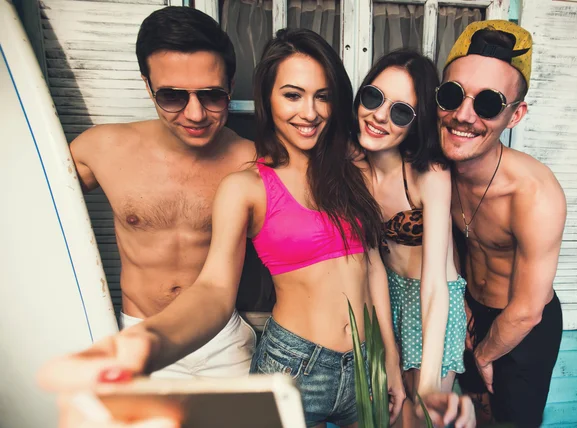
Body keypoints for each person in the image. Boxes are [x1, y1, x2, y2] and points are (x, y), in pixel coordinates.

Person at [41, 28, 405, 428]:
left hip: (363, 362)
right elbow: (214, 289)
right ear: (267, 97)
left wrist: (389, 356)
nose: (310, 112)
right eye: (292, 95)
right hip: (297, 366)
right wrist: (145, 345)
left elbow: (372, 268)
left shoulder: (350, 172)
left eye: (323, 95)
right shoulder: (246, 185)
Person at [68, 6, 257, 379]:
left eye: (212, 96)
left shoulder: (251, 161)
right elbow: (29, 204)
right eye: (171, 96)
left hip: (223, 342)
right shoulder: (101, 149)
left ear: (231, 88)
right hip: (139, 334)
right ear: (146, 85)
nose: (195, 114)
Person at [438, 20, 566, 427]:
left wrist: (483, 354)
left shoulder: (534, 193)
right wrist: (460, 307)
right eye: (452, 95)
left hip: (523, 327)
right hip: (472, 311)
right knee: (474, 419)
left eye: (489, 103)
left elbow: (527, 310)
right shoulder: (438, 169)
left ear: (515, 115)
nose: (463, 115)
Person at [352, 49, 467, 427]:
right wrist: (388, 351)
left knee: (419, 417)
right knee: (389, 414)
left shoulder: (428, 173)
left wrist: (431, 383)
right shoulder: (354, 171)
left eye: (401, 111)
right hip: (387, 299)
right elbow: (373, 266)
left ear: (415, 124)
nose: (380, 116)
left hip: (433, 302)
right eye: (373, 97)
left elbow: (435, 281)